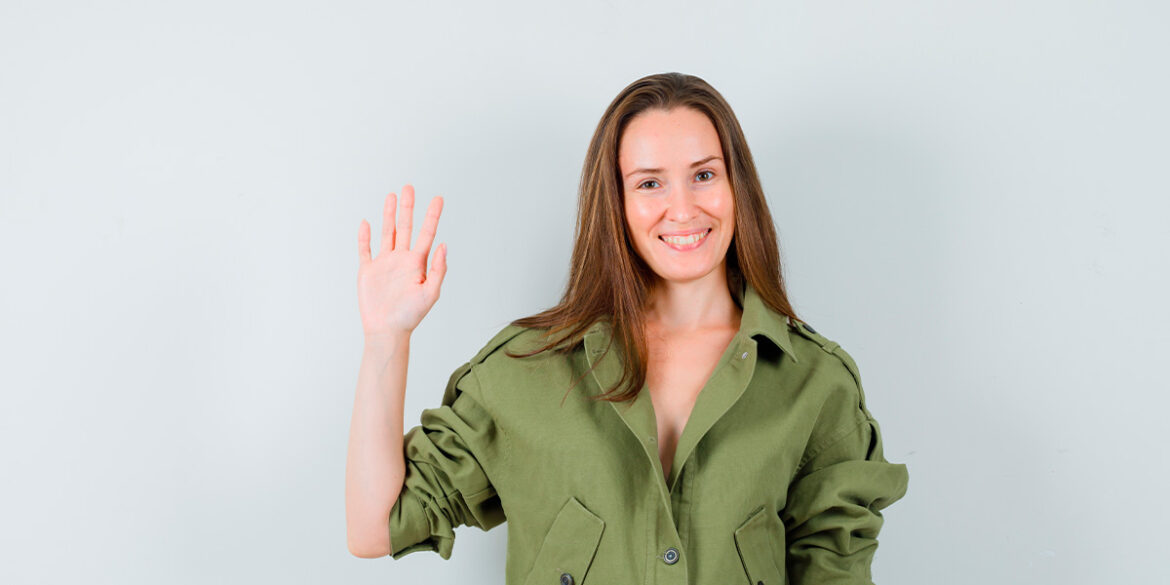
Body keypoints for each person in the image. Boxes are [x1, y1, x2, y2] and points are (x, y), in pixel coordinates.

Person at [345, 72, 910, 584]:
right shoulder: (526, 370)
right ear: (614, 201)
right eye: (649, 183)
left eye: (704, 174)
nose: (683, 208)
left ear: (737, 187)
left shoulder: (814, 383)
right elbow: (375, 528)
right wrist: (385, 340)